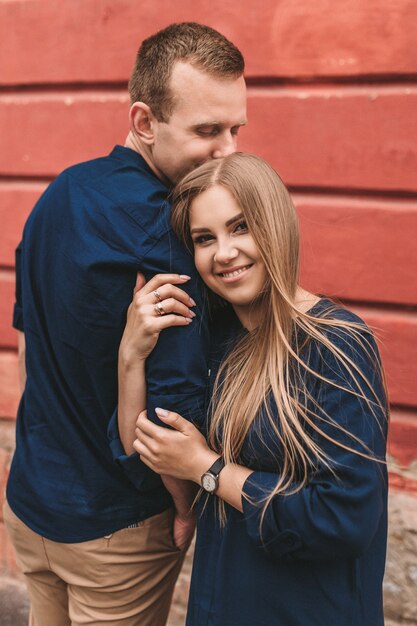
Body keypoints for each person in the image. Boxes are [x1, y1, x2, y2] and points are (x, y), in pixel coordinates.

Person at [4, 23, 246, 626]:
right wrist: (184, 503)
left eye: (236, 128)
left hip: (31, 501)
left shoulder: (59, 191)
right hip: (117, 525)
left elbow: (26, 346)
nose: (228, 152)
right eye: (207, 131)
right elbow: (171, 408)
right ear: (144, 123)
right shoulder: (169, 230)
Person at [118, 153, 389, 626]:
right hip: (219, 605)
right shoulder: (215, 341)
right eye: (205, 239)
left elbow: (344, 519)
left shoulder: (336, 345)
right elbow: (143, 447)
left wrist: (206, 468)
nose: (223, 253)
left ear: (276, 225)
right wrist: (131, 355)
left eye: (240, 227)